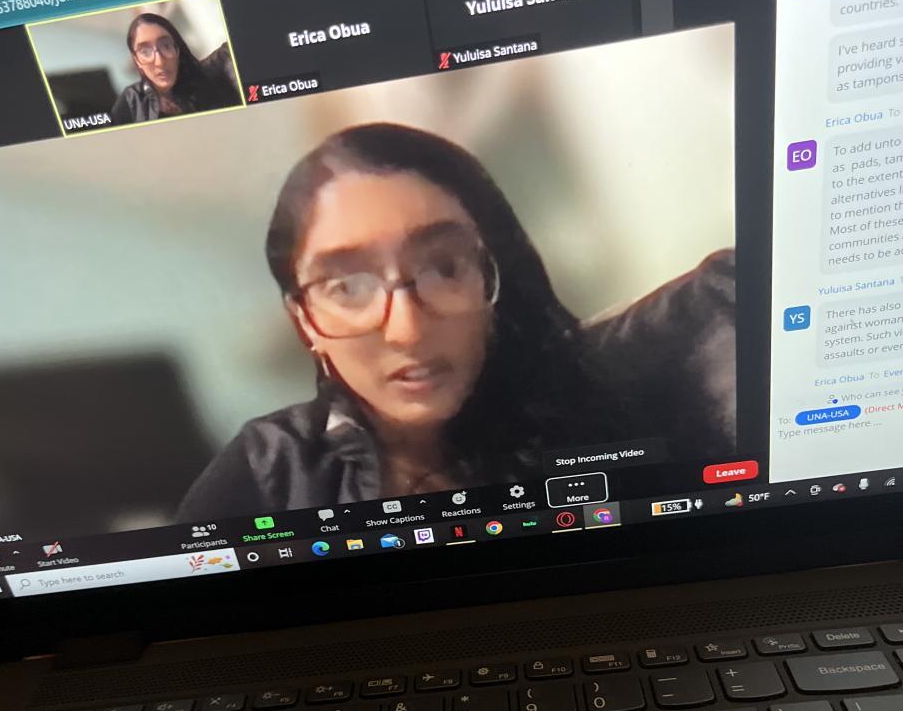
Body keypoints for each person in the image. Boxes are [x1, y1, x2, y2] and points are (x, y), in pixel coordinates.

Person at [178, 122, 735, 518]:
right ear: (304, 321)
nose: (407, 330)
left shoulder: (617, 402)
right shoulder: (270, 471)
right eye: (346, 287)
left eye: (444, 269)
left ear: (496, 275)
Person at [110, 11, 240, 125]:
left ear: (177, 49)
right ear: (137, 60)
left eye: (166, 46)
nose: (159, 62)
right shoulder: (131, 103)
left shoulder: (212, 76)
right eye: (145, 52)